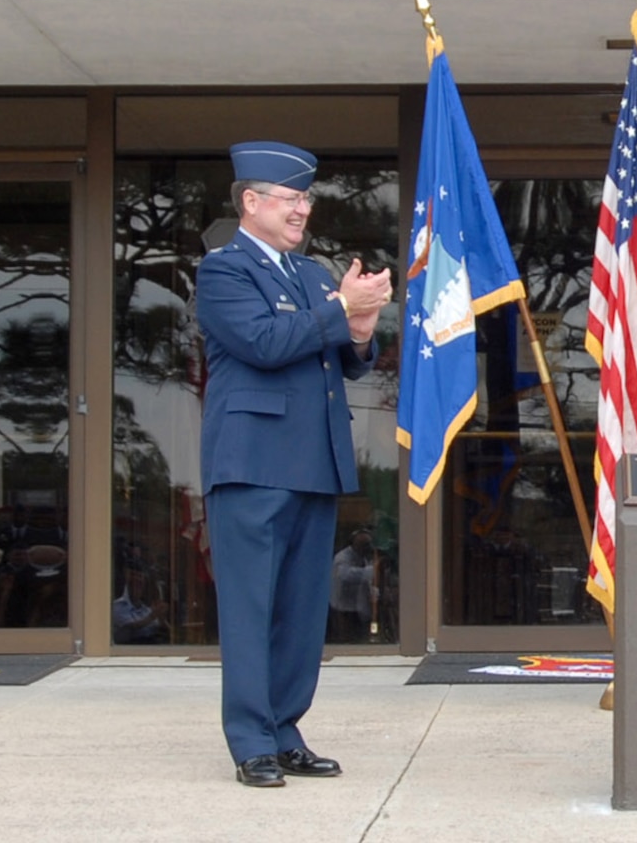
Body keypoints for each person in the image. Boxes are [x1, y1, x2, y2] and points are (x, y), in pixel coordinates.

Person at [196, 140, 393, 788]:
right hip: (253, 464)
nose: (302, 210)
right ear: (251, 202)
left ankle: (285, 732)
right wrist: (341, 309)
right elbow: (265, 342)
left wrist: (361, 326)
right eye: (290, 199)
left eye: (306, 199)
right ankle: (250, 739)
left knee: (302, 613)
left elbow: (345, 362)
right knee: (252, 608)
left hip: (314, 462)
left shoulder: (311, 275)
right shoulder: (224, 271)